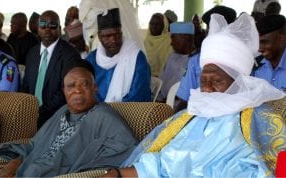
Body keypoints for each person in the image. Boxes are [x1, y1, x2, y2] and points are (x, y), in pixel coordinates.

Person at [102, 13, 286, 178]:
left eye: (217, 81)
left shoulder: (258, 121)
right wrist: (117, 174)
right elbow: (161, 164)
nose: (207, 89)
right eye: (203, 80)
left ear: (239, 82)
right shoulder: (190, 118)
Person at [0, 59, 138, 177]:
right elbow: (35, 145)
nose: (77, 90)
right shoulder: (63, 111)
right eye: (71, 86)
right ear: (64, 91)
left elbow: (128, 150)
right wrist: (15, 163)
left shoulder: (103, 116)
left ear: (95, 88)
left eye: (84, 84)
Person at [21, 10, 81, 128]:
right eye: (43, 25)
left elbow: (64, 91)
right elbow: (26, 86)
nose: (47, 29)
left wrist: (39, 112)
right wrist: (26, 110)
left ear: (59, 28)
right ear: (38, 28)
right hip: (30, 116)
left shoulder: (70, 54)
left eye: (52, 25)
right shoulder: (32, 53)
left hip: (57, 118)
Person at [175, 5, 236, 112]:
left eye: (219, 28)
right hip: (202, 114)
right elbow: (185, 99)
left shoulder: (243, 61)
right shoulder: (196, 60)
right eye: (211, 28)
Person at [86, 8, 151, 102]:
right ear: (99, 37)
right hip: (96, 112)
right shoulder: (91, 59)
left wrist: (109, 114)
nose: (113, 40)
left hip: (128, 112)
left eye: (117, 34)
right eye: (107, 36)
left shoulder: (136, 57)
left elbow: (138, 95)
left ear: (121, 33)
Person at [157, 22, 195, 103]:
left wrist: (168, 101)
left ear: (186, 37)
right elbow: (161, 79)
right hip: (161, 101)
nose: (171, 43)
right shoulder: (172, 56)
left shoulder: (196, 62)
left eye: (173, 38)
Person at [253, 14, 286, 92]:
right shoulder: (255, 66)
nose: (259, 49)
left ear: (281, 39)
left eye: (264, 42)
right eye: (257, 42)